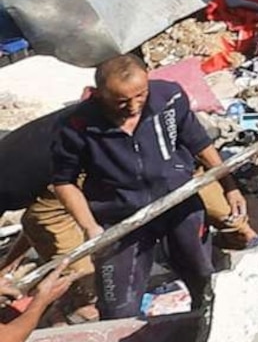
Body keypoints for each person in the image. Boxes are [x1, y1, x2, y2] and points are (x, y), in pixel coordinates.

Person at [48, 54, 243, 320]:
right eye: (121, 101)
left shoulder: (169, 99)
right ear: (99, 94)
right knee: (119, 307)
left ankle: (206, 334)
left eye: (140, 95)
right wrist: (90, 227)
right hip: (120, 219)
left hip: (178, 203)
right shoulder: (76, 126)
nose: (133, 105)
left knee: (203, 280)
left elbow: (200, 145)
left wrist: (229, 186)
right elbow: (64, 182)